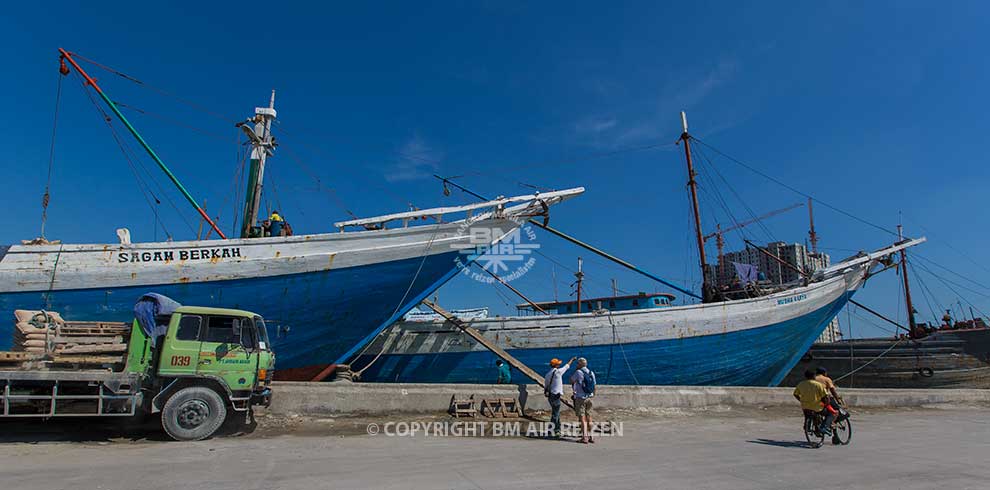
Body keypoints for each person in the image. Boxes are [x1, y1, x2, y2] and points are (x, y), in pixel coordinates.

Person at [793, 369, 834, 436]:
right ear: (814, 376)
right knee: (830, 414)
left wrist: (801, 400)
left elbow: (795, 394)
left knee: (808, 415)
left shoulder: (801, 384)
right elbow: (825, 396)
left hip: (805, 406)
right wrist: (827, 404)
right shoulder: (818, 385)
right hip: (817, 407)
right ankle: (824, 427)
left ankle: (807, 426)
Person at [544, 356, 575, 438]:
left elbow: (546, 386)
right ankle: (551, 431)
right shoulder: (558, 372)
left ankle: (557, 430)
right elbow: (567, 366)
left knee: (556, 413)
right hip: (556, 395)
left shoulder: (547, 374)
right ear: (556, 365)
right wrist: (571, 360)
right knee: (555, 414)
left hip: (550, 395)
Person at [570, 357, 597, 444]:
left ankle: (584, 437)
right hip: (589, 397)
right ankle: (591, 436)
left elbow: (571, 380)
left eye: (577, 364)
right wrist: (592, 395)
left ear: (579, 364)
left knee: (582, 418)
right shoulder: (591, 372)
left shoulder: (578, 372)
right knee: (589, 417)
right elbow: (595, 386)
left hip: (580, 397)